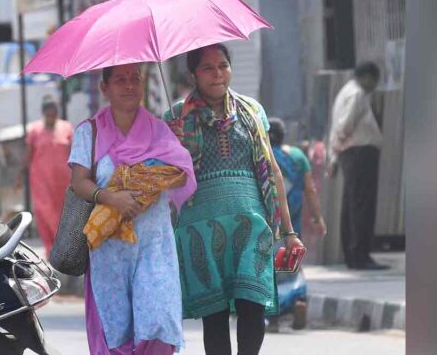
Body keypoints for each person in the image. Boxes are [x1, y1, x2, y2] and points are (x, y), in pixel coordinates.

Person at [164, 44, 305, 355]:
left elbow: (273, 170)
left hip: (252, 226)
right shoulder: (175, 118)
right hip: (200, 230)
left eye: (223, 65)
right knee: (214, 317)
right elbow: (167, 181)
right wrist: (171, 145)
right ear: (193, 74)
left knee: (253, 306)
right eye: (207, 68)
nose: (217, 73)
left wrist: (289, 232)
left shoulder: (252, 111)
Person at [68, 64, 196, 355]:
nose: (129, 86)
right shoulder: (90, 131)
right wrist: (112, 198)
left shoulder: (160, 130)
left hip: (154, 245)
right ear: (105, 88)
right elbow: (79, 182)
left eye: (135, 79)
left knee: (158, 321)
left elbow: (181, 171)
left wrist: (177, 148)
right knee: (116, 333)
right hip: (108, 253)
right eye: (120, 80)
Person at [267, 117, 327, 330]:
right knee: (290, 263)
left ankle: (273, 317)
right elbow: (310, 189)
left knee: (270, 268)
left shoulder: (262, 155)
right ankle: (298, 301)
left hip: (268, 221)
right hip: (291, 221)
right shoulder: (298, 156)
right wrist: (318, 218)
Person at [328, 62, 386, 270]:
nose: (375, 85)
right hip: (360, 152)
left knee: (352, 204)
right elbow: (344, 125)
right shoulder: (357, 94)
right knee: (362, 205)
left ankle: (353, 254)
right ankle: (360, 255)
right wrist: (336, 151)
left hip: (350, 153)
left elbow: (337, 127)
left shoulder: (345, 92)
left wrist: (334, 156)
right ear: (368, 77)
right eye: (375, 80)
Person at [16, 96, 73, 258]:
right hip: (41, 181)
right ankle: (52, 249)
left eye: (53, 115)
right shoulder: (35, 130)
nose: (51, 118)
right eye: (48, 115)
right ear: (43, 115)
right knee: (44, 213)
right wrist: (20, 176)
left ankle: (63, 248)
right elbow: (28, 154)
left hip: (63, 182)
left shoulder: (67, 127)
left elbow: (74, 153)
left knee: (63, 214)